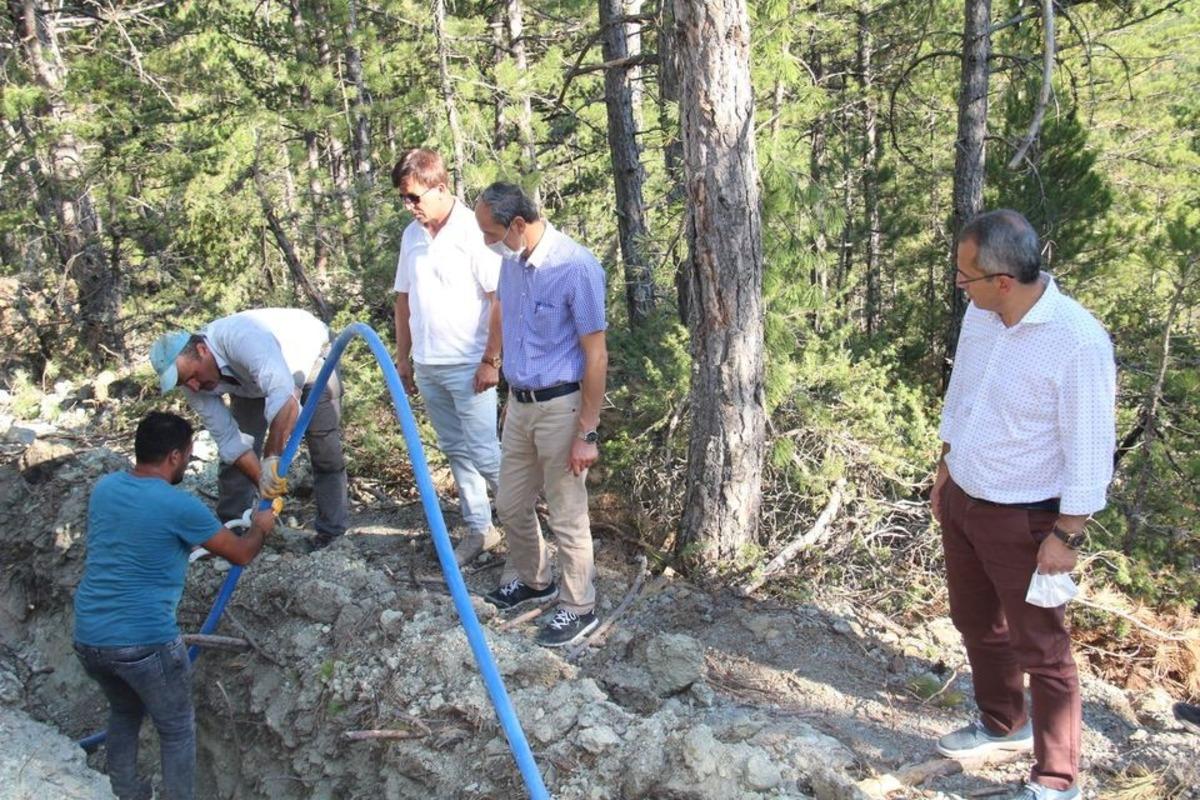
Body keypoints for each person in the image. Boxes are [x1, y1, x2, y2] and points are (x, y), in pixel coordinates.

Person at [930, 210, 1116, 800]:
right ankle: (1002, 723)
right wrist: (945, 465)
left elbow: (1090, 447)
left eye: (967, 277)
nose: (960, 286)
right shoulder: (983, 316)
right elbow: (962, 393)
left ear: (1003, 280)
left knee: (1044, 649)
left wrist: (1068, 534)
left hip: (1026, 517)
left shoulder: (1077, 342)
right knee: (976, 622)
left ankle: (1057, 781)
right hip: (964, 496)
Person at [73, 411, 276, 800]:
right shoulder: (179, 507)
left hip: (90, 637)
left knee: (125, 712)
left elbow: (139, 536)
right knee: (177, 728)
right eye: (186, 454)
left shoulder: (106, 488)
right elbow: (241, 553)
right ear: (173, 457)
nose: (186, 460)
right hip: (144, 642)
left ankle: (128, 793)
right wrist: (260, 527)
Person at [474, 182, 608, 648]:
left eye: (491, 233)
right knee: (510, 503)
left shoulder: (576, 267)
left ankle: (578, 606)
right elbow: (507, 319)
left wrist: (587, 432)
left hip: (562, 407)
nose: (487, 243)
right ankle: (535, 579)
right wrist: (504, 374)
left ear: (517, 224)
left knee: (567, 512)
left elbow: (596, 356)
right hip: (522, 404)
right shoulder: (511, 267)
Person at [150, 308, 347, 550]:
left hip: (310, 356)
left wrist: (271, 458)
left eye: (191, 375)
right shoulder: (192, 383)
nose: (193, 385)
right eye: (183, 382)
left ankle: (331, 536)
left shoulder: (241, 337)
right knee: (236, 461)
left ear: (202, 350)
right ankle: (232, 531)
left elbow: (283, 394)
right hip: (249, 383)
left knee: (324, 449)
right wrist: (264, 483)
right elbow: (229, 440)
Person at [391, 148, 504, 566]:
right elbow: (404, 301)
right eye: (404, 198)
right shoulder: (411, 236)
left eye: (414, 197)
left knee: (486, 454)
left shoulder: (473, 231)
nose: (409, 206)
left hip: (470, 362)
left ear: (440, 188)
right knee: (456, 449)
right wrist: (404, 359)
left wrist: (491, 360)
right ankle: (480, 529)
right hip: (429, 364)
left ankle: (527, 537)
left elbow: (499, 299)